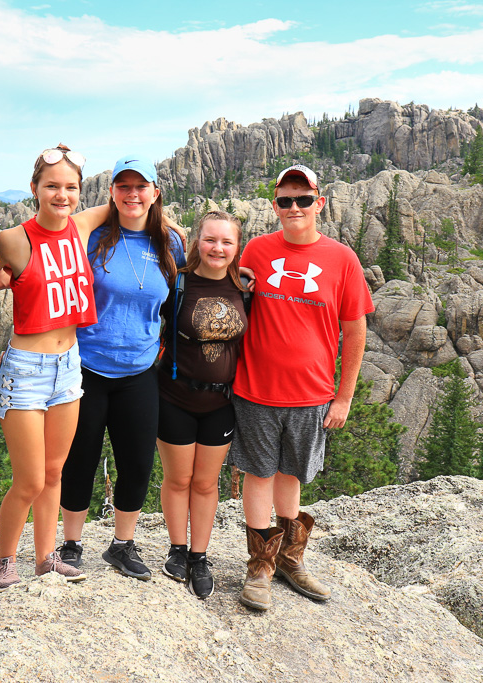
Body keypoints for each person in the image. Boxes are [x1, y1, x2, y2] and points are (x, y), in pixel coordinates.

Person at [230, 164, 374, 611]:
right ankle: (259, 566)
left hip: (311, 394)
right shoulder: (255, 250)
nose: (295, 207)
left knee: (291, 475)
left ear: (320, 203)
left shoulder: (342, 259)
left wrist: (344, 395)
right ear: (275, 206)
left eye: (304, 199)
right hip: (255, 389)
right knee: (258, 474)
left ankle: (291, 559)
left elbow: (355, 330)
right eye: (286, 200)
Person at [58, 156, 186, 580]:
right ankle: (71, 544)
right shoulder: (92, 237)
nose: (133, 194)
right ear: (111, 192)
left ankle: (122, 545)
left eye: (141, 187)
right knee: (80, 459)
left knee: (137, 464)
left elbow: (179, 301)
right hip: (88, 368)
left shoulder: (170, 245)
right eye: (123, 187)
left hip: (140, 372)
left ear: (156, 192)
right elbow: (67, 224)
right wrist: (118, 210)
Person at [0, 145, 110, 590]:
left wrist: (170, 222)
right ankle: (5, 559)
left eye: (71, 187)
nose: (62, 195)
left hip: (69, 366)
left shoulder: (79, 227)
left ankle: (45, 557)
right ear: (35, 189)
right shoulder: (14, 239)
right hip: (26, 370)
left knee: (55, 472)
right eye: (52, 186)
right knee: (28, 479)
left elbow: (126, 204)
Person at [157, 211, 247, 599]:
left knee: (206, 483)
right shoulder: (176, 282)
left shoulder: (244, 287)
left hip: (221, 401)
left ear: (236, 247)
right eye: (211, 240)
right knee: (179, 480)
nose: (218, 248)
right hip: (174, 396)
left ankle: (199, 556)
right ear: (198, 242)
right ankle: (177, 549)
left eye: (227, 242)